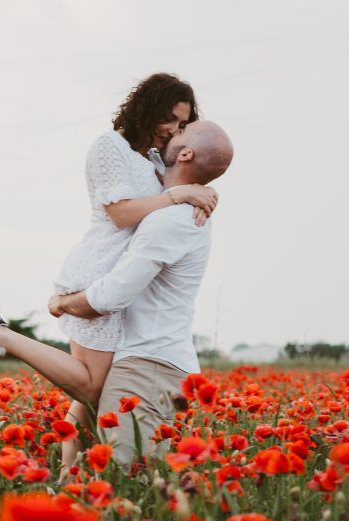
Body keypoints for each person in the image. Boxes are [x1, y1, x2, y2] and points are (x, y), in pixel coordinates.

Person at [0, 74, 217, 474]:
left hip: (119, 278)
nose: (174, 131)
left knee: (91, 395)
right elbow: (120, 212)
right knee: (92, 386)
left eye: (182, 125)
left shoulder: (154, 160)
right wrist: (180, 194)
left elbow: (187, 175)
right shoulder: (109, 146)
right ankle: (0, 333)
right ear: (149, 107)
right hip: (97, 271)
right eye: (171, 120)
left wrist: (205, 189)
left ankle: (63, 475)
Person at [48, 120, 234, 467]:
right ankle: (66, 479)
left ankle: (1, 336)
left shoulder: (172, 220)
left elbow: (111, 296)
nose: (167, 134)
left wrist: (61, 303)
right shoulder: (170, 203)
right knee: (117, 469)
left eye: (179, 131)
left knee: (123, 477)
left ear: (186, 153)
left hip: (148, 368)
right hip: (147, 362)